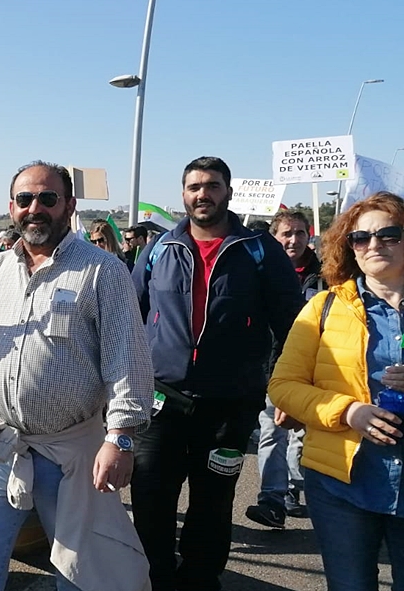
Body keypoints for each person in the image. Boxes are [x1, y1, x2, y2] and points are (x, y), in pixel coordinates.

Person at [0, 161, 153, 591]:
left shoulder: (102, 271)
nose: (36, 208)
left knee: (80, 572)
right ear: (12, 207)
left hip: (71, 456)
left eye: (48, 198)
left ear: (69, 205)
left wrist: (120, 439)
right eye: (25, 199)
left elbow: (128, 360)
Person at [131, 156, 304, 591]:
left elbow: (293, 326)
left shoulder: (259, 250)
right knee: (151, 499)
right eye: (193, 187)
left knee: (212, 504)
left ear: (227, 191)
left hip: (230, 405)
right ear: (183, 194)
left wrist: (287, 388)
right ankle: (155, 580)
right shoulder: (160, 249)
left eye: (211, 186)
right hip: (161, 402)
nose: (202, 194)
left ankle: (199, 580)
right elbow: (129, 319)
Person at [272, 191, 404, 591]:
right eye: (361, 238)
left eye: (389, 234)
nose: (373, 245)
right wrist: (348, 411)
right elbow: (282, 387)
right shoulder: (324, 307)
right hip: (341, 485)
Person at [245, 210, 322, 528]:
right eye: (287, 234)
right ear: (275, 237)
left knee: (302, 436)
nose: (294, 239)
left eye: (300, 233)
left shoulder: (327, 275)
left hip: (317, 370)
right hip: (273, 366)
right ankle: (273, 499)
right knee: (272, 431)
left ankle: (293, 487)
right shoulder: (257, 272)